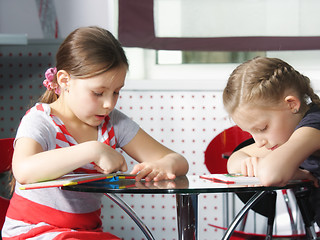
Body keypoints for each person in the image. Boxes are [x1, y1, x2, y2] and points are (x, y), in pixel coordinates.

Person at [2, 26, 188, 240]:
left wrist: (165, 165)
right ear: (64, 81)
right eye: (98, 93)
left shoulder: (113, 124)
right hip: (32, 232)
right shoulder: (41, 120)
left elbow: (179, 160)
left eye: (117, 92)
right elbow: (23, 171)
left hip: (86, 234)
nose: (109, 104)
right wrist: (92, 150)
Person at [223, 57, 320, 239]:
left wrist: (290, 172)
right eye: (251, 133)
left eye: (262, 128)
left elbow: (272, 175)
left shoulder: (314, 129)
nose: (259, 142)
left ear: (291, 104)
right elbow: (235, 160)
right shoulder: (299, 130)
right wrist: (296, 172)